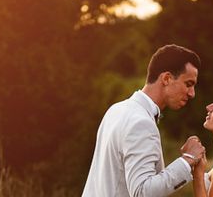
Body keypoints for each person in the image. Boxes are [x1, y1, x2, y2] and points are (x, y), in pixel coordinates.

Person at [82, 44, 205, 197]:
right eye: (188, 84)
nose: (192, 93)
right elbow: (142, 191)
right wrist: (188, 160)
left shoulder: (116, 109)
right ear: (166, 78)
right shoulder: (141, 122)